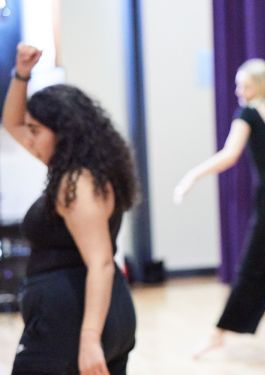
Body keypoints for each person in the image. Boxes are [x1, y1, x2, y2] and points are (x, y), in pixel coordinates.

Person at [4, 44, 138, 374]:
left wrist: (90, 338)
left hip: (71, 319)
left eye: (36, 130)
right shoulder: (83, 171)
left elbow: (102, 263)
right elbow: (12, 124)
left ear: (63, 133)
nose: (29, 138)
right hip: (89, 313)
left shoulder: (76, 183)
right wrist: (22, 74)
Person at [173, 58, 265, 357]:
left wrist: (192, 175)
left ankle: (218, 333)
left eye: (246, 85)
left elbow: (229, 155)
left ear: (261, 86)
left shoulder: (249, 115)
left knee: (254, 265)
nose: (239, 91)